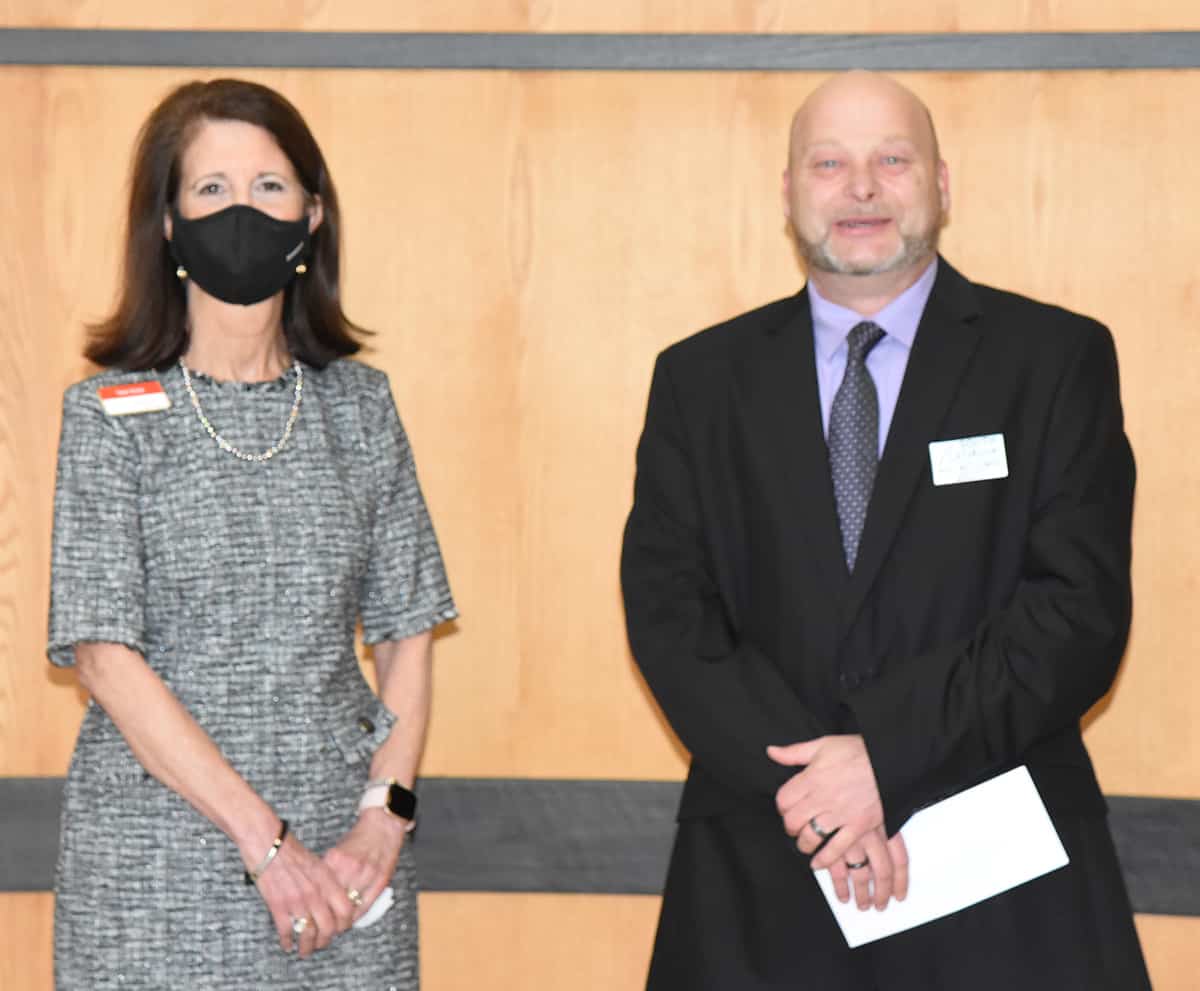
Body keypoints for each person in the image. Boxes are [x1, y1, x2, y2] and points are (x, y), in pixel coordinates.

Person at [620, 71, 1151, 990]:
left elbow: (1078, 615)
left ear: (941, 185)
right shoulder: (700, 382)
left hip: (1005, 887)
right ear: (788, 193)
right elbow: (671, 617)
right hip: (764, 871)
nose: (861, 188)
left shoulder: (1055, 361)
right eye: (829, 163)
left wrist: (884, 761)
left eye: (890, 160)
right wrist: (820, 798)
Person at [46, 78, 456, 989]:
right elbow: (106, 655)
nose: (243, 210)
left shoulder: (361, 408)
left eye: (270, 187)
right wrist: (265, 844)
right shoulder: (110, 413)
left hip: (348, 866)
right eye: (212, 189)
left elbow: (408, 631)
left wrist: (383, 817)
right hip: (157, 865)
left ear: (312, 215)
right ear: (167, 222)